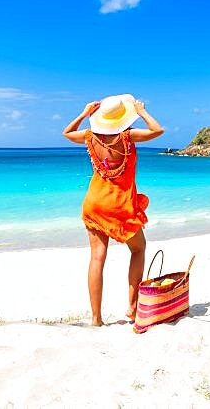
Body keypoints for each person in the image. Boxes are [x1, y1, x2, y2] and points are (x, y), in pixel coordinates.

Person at [62, 94, 164, 325]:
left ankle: (96, 319)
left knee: (97, 258)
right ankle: (131, 307)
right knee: (138, 249)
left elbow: (66, 133)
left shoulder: (90, 137)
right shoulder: (128, 137)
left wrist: (83, 114)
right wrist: (141, 112)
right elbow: (157, 131)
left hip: (94, 202)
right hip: (119, 205)